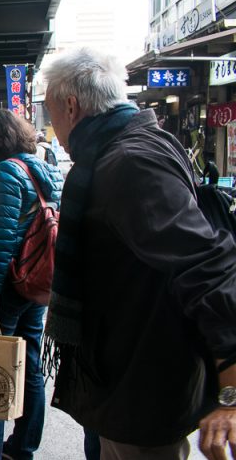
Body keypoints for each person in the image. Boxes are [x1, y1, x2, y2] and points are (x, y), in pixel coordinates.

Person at [41, 47, 236, 460]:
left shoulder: (129, 161)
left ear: (71, 106)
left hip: (144, 385)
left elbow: (209, 264)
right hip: (123, 373)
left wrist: (231, 387)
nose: (50, 122)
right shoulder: (133, 143)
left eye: (49, 109)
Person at [0, 110, 64, 460]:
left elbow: (1, 239)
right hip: (36, 281)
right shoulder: (44, 168)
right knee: (31, 363)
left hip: (6, 285)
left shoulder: (8, 171)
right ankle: (22, 448)